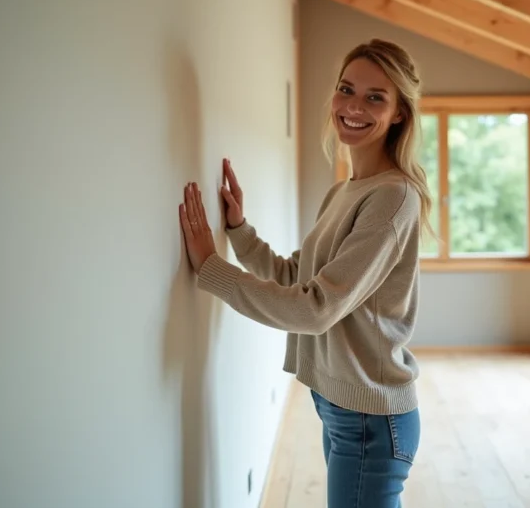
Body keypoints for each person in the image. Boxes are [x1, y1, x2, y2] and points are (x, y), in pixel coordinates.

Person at [179, 38, 434, 507]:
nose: (354, 107)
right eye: (346, 89)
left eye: (376, 97)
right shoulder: (346, 191)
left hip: (369, 417)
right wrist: (237, 229)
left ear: (399, 112)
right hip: (342, 407)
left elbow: (316, 310)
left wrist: (212, 269)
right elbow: (299, 276)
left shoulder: (393, 197)